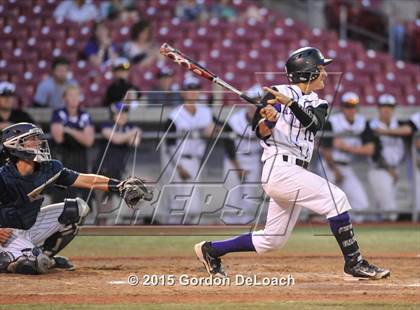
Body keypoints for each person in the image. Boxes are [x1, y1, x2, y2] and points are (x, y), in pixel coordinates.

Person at [194, 47, 390, 280]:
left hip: (295, 171)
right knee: (336, 198)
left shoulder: (319, 102)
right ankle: (354, 263)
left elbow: (314, 125)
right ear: (307, 73)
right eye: (320, 69)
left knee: (273, 240)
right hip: (280, 168)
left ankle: (211, 250)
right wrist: (270, 119)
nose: (325, 74)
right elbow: (261, 132)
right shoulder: (276, 93)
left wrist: (291, 105)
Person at [0, 122, 152, 274]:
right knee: (32, 265)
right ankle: (12, 260)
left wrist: (119, 185)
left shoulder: (48, 168)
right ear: (14, 144)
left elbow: (85, 180)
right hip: (6, 235)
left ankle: (45, 256)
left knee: (77, 208)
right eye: (32, 138)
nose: (39, 142)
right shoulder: (3, 176)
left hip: (29, 225)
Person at [162, 76, 215, 224]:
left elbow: (219, 126)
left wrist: (213, 129)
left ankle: (188, 235)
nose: (192, 92)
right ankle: (171, 234)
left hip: (195, 159)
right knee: (177, 201)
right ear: (183, 92)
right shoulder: (174, 115)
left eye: (195, 89)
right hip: (177, 160)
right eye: (189, 89)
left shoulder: (206, 112)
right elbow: (168, 145)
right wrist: (178, 167)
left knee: (193, 201)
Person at [320, 92, 376, 222]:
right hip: (329, 165)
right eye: (347, 106)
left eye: (353, 106)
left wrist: (346, 147)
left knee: (361, 204)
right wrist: (336, 170)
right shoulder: (333, 122)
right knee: (326, 202)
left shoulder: (362, 122)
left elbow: (370, 149)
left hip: (346, 166)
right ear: (342, 108)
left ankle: (348, 227)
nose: (351, 110)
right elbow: (326, 151)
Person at [368, 94, 416, 221]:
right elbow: (374, 153)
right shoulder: (371, 125)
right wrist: (390, 170)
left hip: (396, 169)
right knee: (390, 210)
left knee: (384, 207)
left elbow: (411, 134)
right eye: (384, 106)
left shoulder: (399, 124)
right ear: (379, 108)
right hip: (380, 170)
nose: (387, 109)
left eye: (390, 106)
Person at [94, 102, 141, 224]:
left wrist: (129, 135)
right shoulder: (107, 124)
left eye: (125, 112)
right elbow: (116, 139)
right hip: (104, 169)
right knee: (104, 207)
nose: (123, 115)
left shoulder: (130, 126)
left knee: (132, 199)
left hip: (120, 170)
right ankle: (101, 233)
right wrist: (132, 132)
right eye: (119, 113)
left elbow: (135, 142)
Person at [221, 92, 262, 224]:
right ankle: (229, 222)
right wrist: (238, 167)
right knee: (233, 192)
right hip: (235, 159)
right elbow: (228, 145)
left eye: (258, 101)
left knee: (250, 193)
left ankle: (247, 223)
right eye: (252, 101)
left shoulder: (265, 119)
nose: (255, 104)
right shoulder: (235, 120)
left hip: (254, 158)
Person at [50, 85, 95, 202]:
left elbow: (89, 141)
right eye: (71, 95)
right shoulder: (59, 113)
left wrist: (69, 130)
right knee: (62, 196)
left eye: (77, 95)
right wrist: (80, 133)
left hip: (81, 159)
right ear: (64, 98)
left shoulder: (84, 115)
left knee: (83, 196)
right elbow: (58, 138)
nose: (74, 98)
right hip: (63, 158)